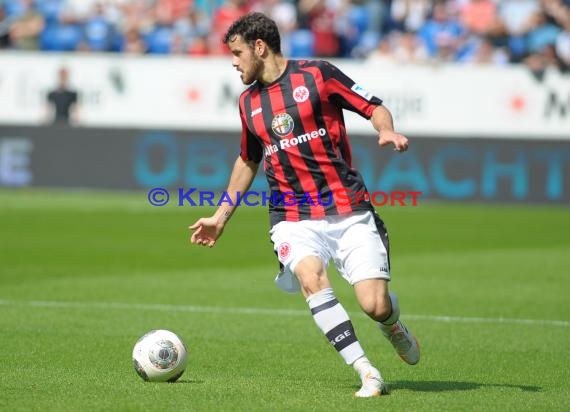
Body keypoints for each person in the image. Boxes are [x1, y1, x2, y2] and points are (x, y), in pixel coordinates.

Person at [189, 12, 420, 398]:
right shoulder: (248, 103)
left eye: (237, 52)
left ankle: (392, 324)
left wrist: (386, 130)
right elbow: (248, 159)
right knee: (311, 278)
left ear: (259, 47)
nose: (233, 61)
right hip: (292, 216)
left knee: (374, 305)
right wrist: (220, 217)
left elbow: (372, 105)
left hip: (347, 207)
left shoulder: (318, 75)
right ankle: (367, 372)